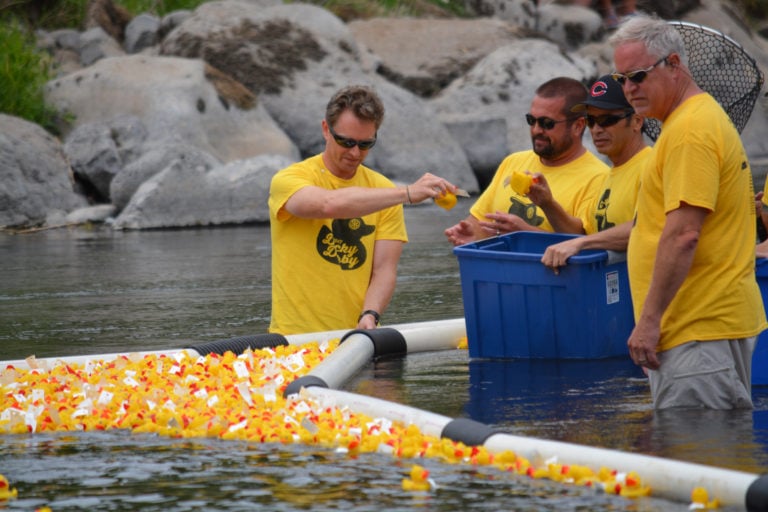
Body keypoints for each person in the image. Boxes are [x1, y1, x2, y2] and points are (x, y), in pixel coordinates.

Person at [610, 15, 766, 409]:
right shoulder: (691, 120)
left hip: (698, 330)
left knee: (698, 462)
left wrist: (648, 322)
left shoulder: (690, 132)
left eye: (639, 76)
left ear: (674, 65)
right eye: (621, 79)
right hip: (698, 328)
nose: (629, 89)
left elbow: (684, 235)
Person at [268, 85, 459, 335]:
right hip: (293, 339)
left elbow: (384, 270)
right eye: (345, 141)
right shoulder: (289, 180)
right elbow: (329, 204)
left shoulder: (383, 191)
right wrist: (407, 193)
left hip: (356, 338)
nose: (355, 152)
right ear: (326, 130)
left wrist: (370, 314)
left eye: (365, 144)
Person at [444, 76, 609, 247]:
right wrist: (471, 236)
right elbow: (481, 221)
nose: (537, 130)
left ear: (578, 125)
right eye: (532, 120)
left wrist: (525, 233)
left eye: (547, 123)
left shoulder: (599, 178)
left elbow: (586, 245)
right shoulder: (513, 162)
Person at [540, 74, 651, 270]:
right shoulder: (608, 175)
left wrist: (581, 244)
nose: (596, 129)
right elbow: (584, 232)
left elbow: (646, 226)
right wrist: (547, 203)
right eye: (591, 121)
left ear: (636, 121)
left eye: (607, 120)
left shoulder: (652, 165)